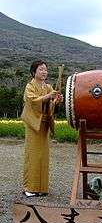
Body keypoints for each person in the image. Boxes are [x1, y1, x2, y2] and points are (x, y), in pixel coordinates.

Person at [21, 60, 63, 197]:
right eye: (41, 69)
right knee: (32, 155)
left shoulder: (48, 87)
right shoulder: (30, 86)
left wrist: (57, 100)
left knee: (43, 157)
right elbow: (32, 101)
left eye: (45, 69)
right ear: (34, 72)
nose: (44, 72)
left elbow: (52, 105)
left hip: (44, 124)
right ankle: (29, 188)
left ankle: (41, 188)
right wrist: (48, 97)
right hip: (34, 124)